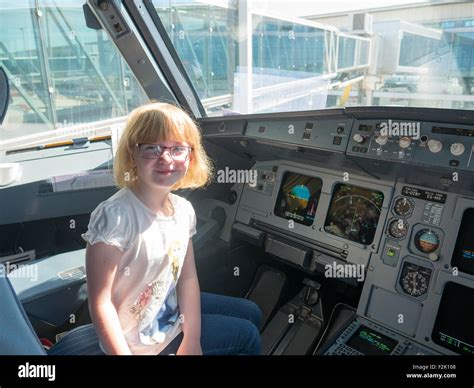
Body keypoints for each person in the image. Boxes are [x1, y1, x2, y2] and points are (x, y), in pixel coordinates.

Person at [82, 102, 261, 355]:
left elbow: (186, 278)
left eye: (177, 148)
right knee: (247, 335)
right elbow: (101, 302)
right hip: (140, 341)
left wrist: (192, 340)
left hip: (168, 309)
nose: (166, 158)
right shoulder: (116, 216)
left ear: (191, 156)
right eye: (152, 148)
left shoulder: (183, 210)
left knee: (251, 312)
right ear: (132, 154)